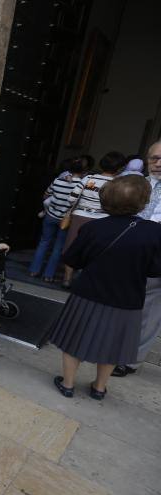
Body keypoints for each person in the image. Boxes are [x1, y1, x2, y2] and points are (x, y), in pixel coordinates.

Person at [49, 175, 161, 400]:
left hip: (88, 294)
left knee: (74, 340)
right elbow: (155, 270)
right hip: (127, 300)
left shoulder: (94, 228)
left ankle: (68, 384)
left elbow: (73, 259)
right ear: (143, 201)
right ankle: (99, 388)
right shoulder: (154, 232)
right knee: (114, 346)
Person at [115, 141, 161, 377]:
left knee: (149, 312)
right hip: (130, 252)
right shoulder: (138, 184)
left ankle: (130, 360)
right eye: (154, 158)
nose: (158, 164)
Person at [62, 151, 126, 288]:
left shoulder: (88, 179)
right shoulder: (117, 184)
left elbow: (71, 198)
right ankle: (83, 279)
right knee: (93, 249)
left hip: (80, 216)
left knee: (72, 246)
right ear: (120, 168)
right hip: (102, 220)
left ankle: (67, 279)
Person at [28, 157, 84, 282]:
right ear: (82, 172)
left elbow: (46, 194)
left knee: (44, 242)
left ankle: (34, 270)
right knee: (58, 247)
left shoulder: (58, 180)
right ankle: (48, 275)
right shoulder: (80, 185)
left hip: (51, 215)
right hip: (65, 219)